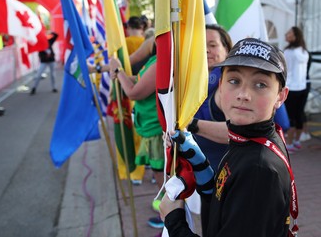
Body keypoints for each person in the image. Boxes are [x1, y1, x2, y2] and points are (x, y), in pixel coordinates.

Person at [160, 38, 297, 237]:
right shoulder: (246, 138)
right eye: (234, 81)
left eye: (260, 84)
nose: (243, 94)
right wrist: (199, 163)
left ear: (280, 96)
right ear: (221, 86)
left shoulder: (259, 169)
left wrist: (174, 221)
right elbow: (224, 198)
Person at [109, 39, 165, 230]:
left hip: (156, 128)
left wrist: (118, 71)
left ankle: (169, 217)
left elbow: (134, 93)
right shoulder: (155, 59)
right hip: (150, 126)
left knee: (162, 177)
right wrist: (122, 74)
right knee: (160, 175)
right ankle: (167, 212)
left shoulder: (161, 62)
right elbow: (140, 81)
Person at [283, 26, 310, 152]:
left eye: (289, 33)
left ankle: (288, 145)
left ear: (295, 36)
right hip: (303, 87)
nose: (286, 34)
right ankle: (296, 141)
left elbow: (284, 70)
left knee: (290, 117)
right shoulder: (304, 52)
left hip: (291, 88)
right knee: (299, 115)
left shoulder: (289, 52)